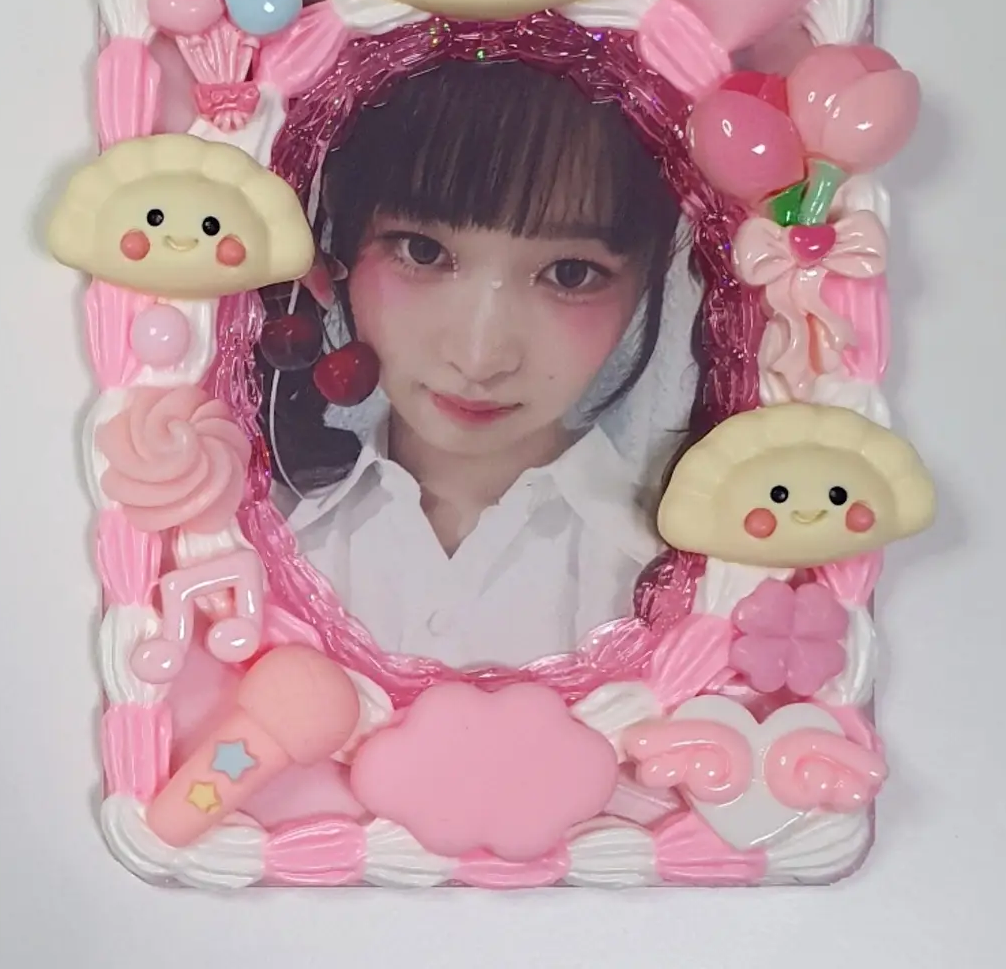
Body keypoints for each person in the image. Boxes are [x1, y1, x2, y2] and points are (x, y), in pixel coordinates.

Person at [266, 58, 698, 667]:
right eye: (423, 251)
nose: (479, 357)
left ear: (649, 277)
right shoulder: (252, 542)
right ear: (334, 245)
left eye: (569, 274)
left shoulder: (686, 580)